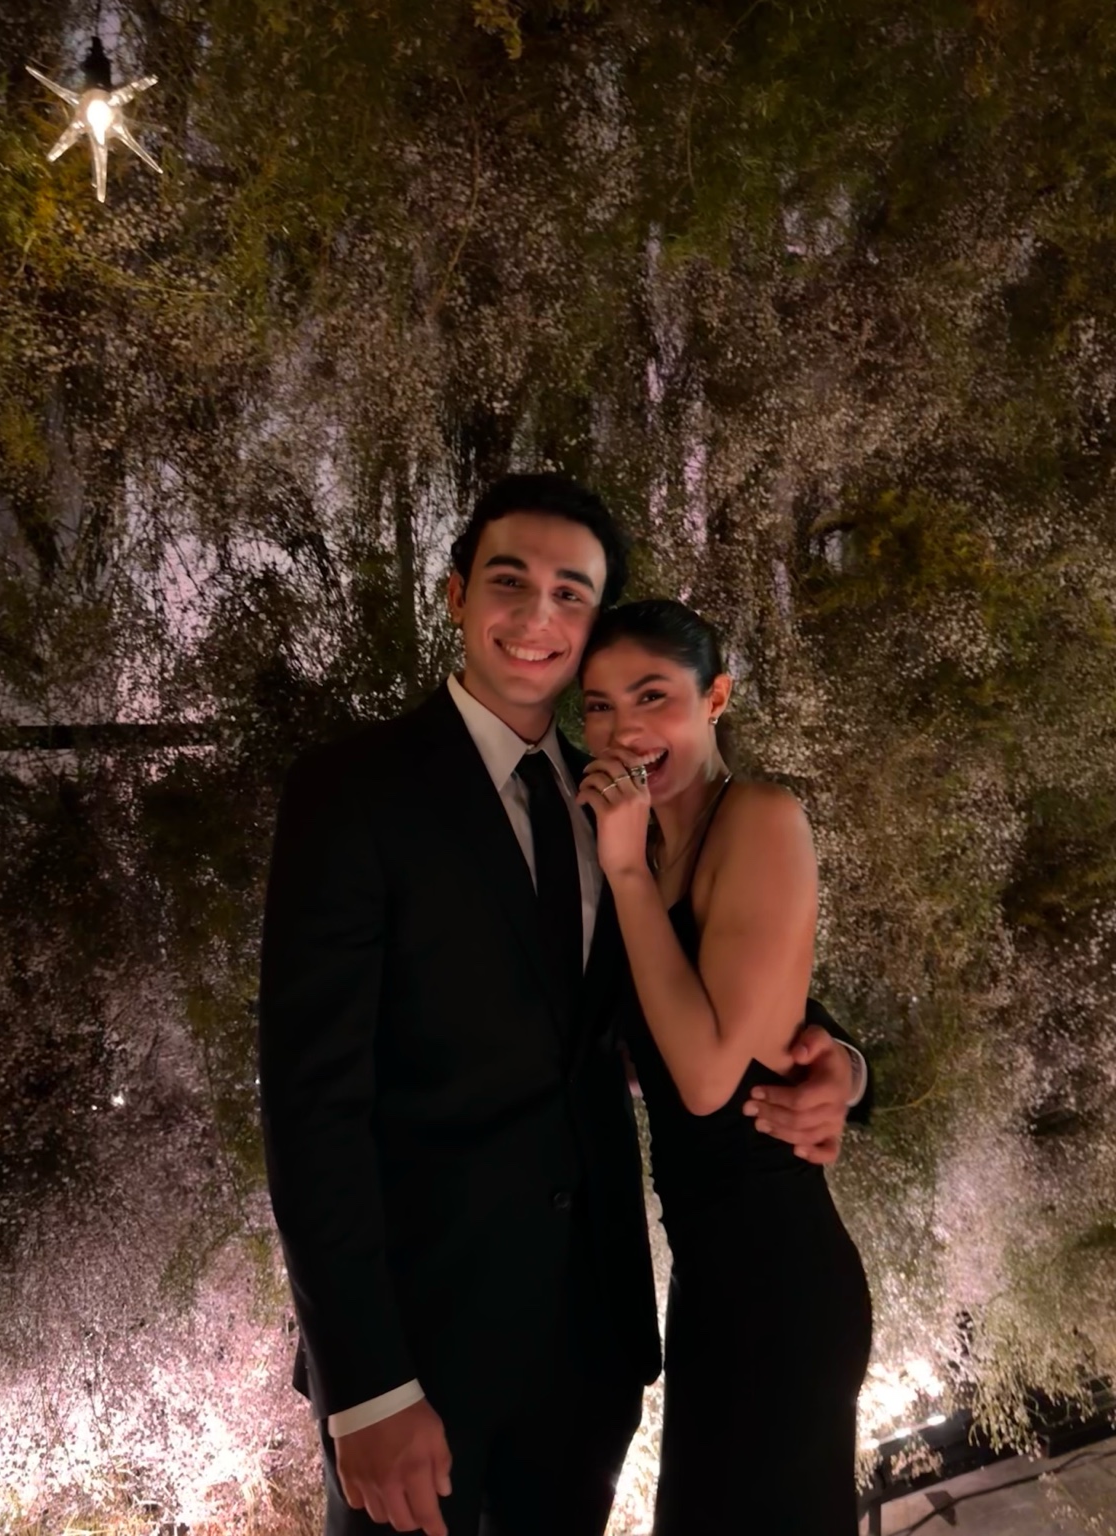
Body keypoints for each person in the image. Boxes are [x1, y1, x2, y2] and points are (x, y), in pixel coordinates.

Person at [258, 475, 869, 1536]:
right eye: (509, 581)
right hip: (421, 1366)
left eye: (571, 593)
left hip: (592, 1357)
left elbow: (730, 980)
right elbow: (309, 1104)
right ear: (456, 595)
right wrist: (365, 1384)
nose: (537, 614)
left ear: (591, 625)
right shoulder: (353, 791)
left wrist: (849, 1069)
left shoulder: (618, 806)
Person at [577, 598, 873, 1536]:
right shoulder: (640, 845)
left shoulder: (758, 819)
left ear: (716, 699)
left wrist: (626, 874)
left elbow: (707, 1080)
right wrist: (847, 1064)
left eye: (652, 696)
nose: (624, 729)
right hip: (707, 1280)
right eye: (598, 705)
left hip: (779, 1275)